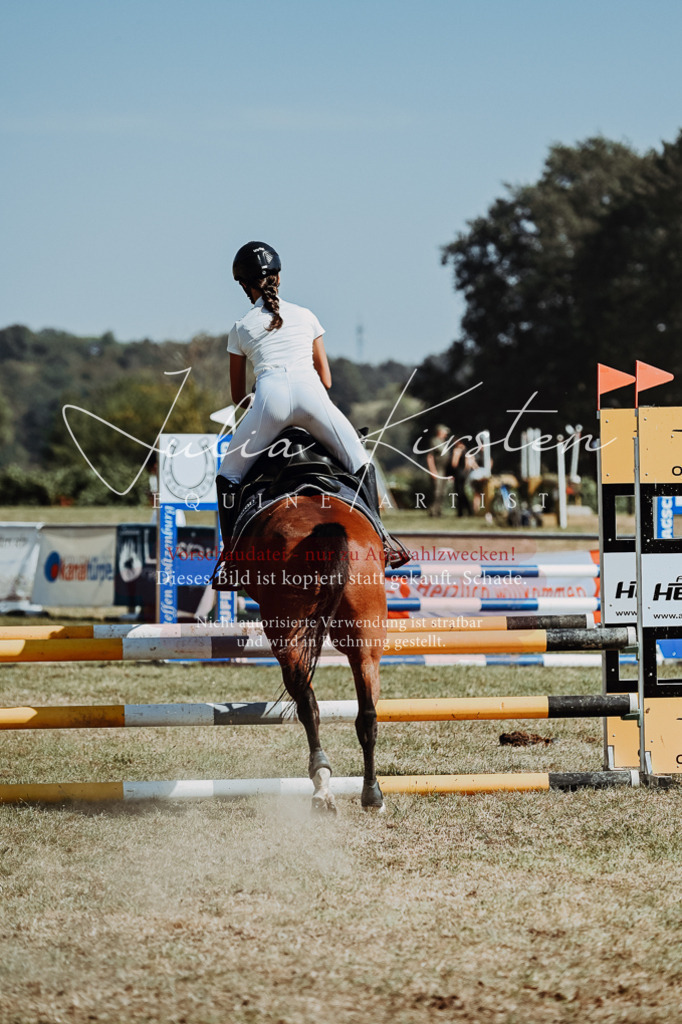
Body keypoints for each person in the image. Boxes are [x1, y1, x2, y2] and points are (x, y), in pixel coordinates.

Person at [215, 241, 405, 565]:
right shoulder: (306, 316)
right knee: (361, 463)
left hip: (269, 401)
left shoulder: (240, 328)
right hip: (312, 397)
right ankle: (383, 540)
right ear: (279, 278)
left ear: (245, 285)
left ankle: (231, 558)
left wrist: (261, 404)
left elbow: (237, 398)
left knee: (228, 477)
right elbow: (327, 380)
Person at [425, 424, 452, 517]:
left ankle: (439, 510)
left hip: (445, 470)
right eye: (445, 431)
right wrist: (432, 470)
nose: (446, 433)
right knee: (436, 492)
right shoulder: (434, 441)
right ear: (439, 431)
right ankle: (433, 511)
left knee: (442, 492)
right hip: (437, 469)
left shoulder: (443, 442)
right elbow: (430, 457)